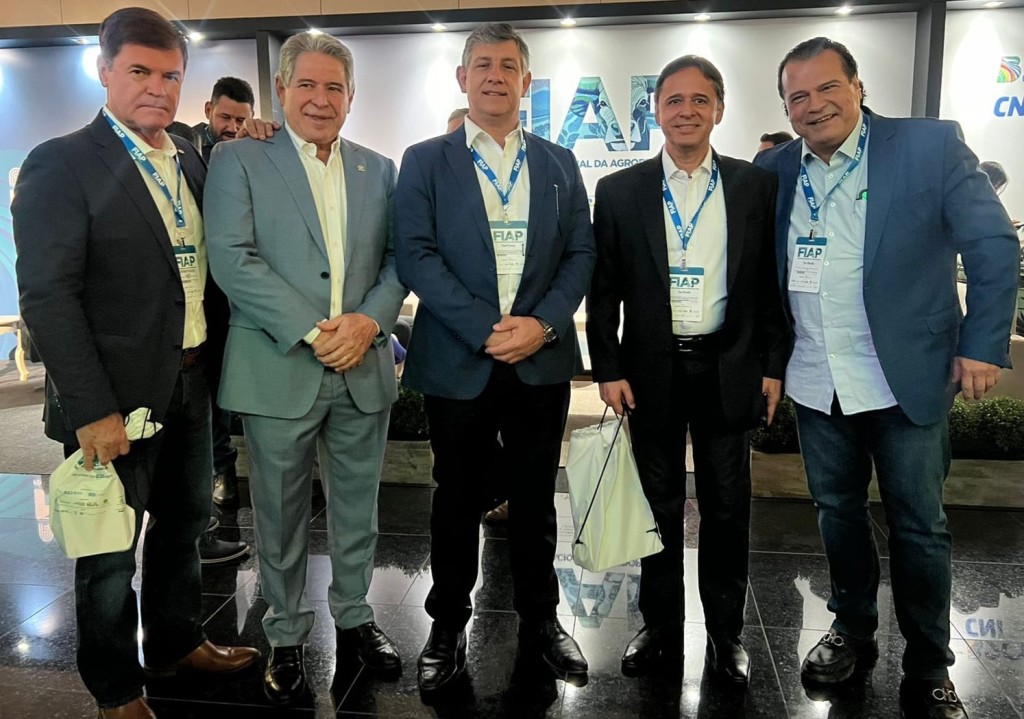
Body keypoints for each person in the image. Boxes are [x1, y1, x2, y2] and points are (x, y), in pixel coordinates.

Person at [754, 37, 1019, 719]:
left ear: (858, 87)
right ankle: (851, 629)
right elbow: (761, 275)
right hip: (817, 378)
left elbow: (993, 245)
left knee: (919, 526)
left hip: (904, 375)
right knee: (837, 514)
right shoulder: (774, 169)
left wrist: (983, 344)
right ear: (786, 109)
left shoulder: (928, 147)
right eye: (798, 96)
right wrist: (766, 364)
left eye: (827, 87)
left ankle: (929, 662)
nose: (814, 105)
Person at [11, 8, 260, 718]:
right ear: (104, 71)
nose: (157, 87)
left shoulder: (188, 155)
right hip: (114, 397)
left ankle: (178, 641)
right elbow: (48, 297)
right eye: (140, 71)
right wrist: (91, 409)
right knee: (108, 551)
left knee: (184, 526)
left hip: (191, 378)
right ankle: (116, 687)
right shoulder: (61, 162)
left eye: (171, 75)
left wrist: (260, 137)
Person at [204, 30, 406, 705]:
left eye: (335, 87)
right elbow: (233, 259)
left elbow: (397, 261)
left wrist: (368, 322)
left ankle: (354, 618)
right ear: (282, 90)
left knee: (358, 509)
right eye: (308, 85)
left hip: (362, 364)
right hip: (279, 364)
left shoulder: (379, 169)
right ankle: (285, 633)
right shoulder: (240, 158)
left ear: (352, 97)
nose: (321, 99)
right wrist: (317, 332)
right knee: (280, 513)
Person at [394, 22, 595, 693]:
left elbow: (581, 253)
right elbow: (415, 253)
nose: (495, 76)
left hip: (539, 359)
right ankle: (447, 624)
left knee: (536, 499)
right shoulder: (426, 159)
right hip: (460, 357)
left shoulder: (559, 163)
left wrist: (542, 324)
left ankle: (542, 619)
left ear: (526, 81)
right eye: (482, 64)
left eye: (508, 66)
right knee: (455, 498)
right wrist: (485, 328)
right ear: (463, 77)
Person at [587, 55, 790, 685]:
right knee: (658, 506)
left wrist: (772, 365)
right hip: (650, 371)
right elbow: (603, 289)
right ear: (656, 111)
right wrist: (607, 368)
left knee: (727, 507)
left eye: (700, 100)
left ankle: (726, 634)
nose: (686, 111)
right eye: (674, 100)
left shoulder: (753, 186)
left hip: (728, 367)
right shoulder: (619, 191)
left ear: (719, 109)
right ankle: (660, 628)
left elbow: (768, 283)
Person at [193, 76, 254, 163]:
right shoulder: (186, 146)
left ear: (252, 117)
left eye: (240, 120)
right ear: (208, 110)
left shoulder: (258, 149)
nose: (232, 129)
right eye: (225, 117)